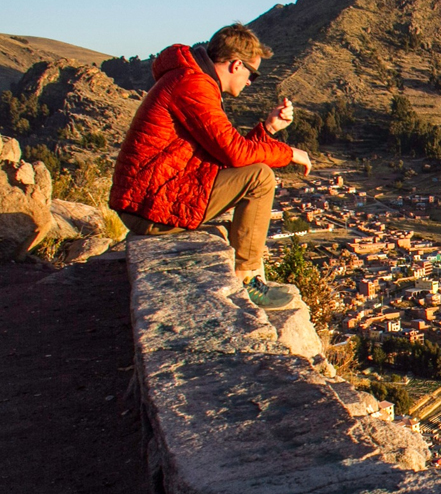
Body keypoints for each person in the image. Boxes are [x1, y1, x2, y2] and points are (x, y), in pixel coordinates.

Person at [110, 23, 311, 306]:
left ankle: (247, 275)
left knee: (254, 174)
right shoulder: (193, 85)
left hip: (152, 198)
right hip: (151, 207)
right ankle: (247, 279)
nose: (251, 81)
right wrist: (288, 152)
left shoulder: (191, 80)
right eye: (252, 73)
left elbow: (225, 153)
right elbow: (235, 154)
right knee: (261, 178)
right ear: (235, 65)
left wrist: (268, 129)